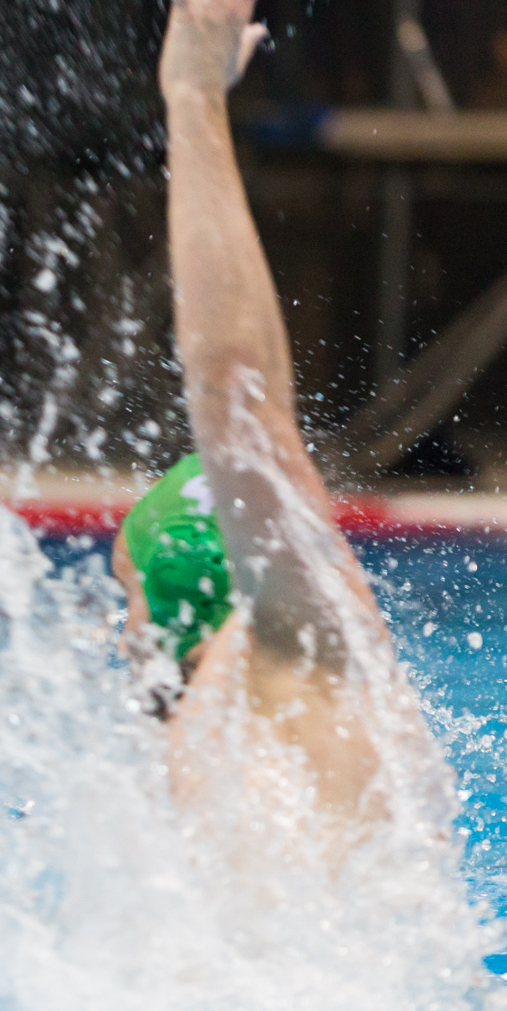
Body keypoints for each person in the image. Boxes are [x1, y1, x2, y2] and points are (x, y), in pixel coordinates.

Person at [113, 0, 438, 854]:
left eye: (130, 595)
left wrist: (191, 96)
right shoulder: (329, 690)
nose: (122, 632)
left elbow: (236, 396)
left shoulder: (291, 656)